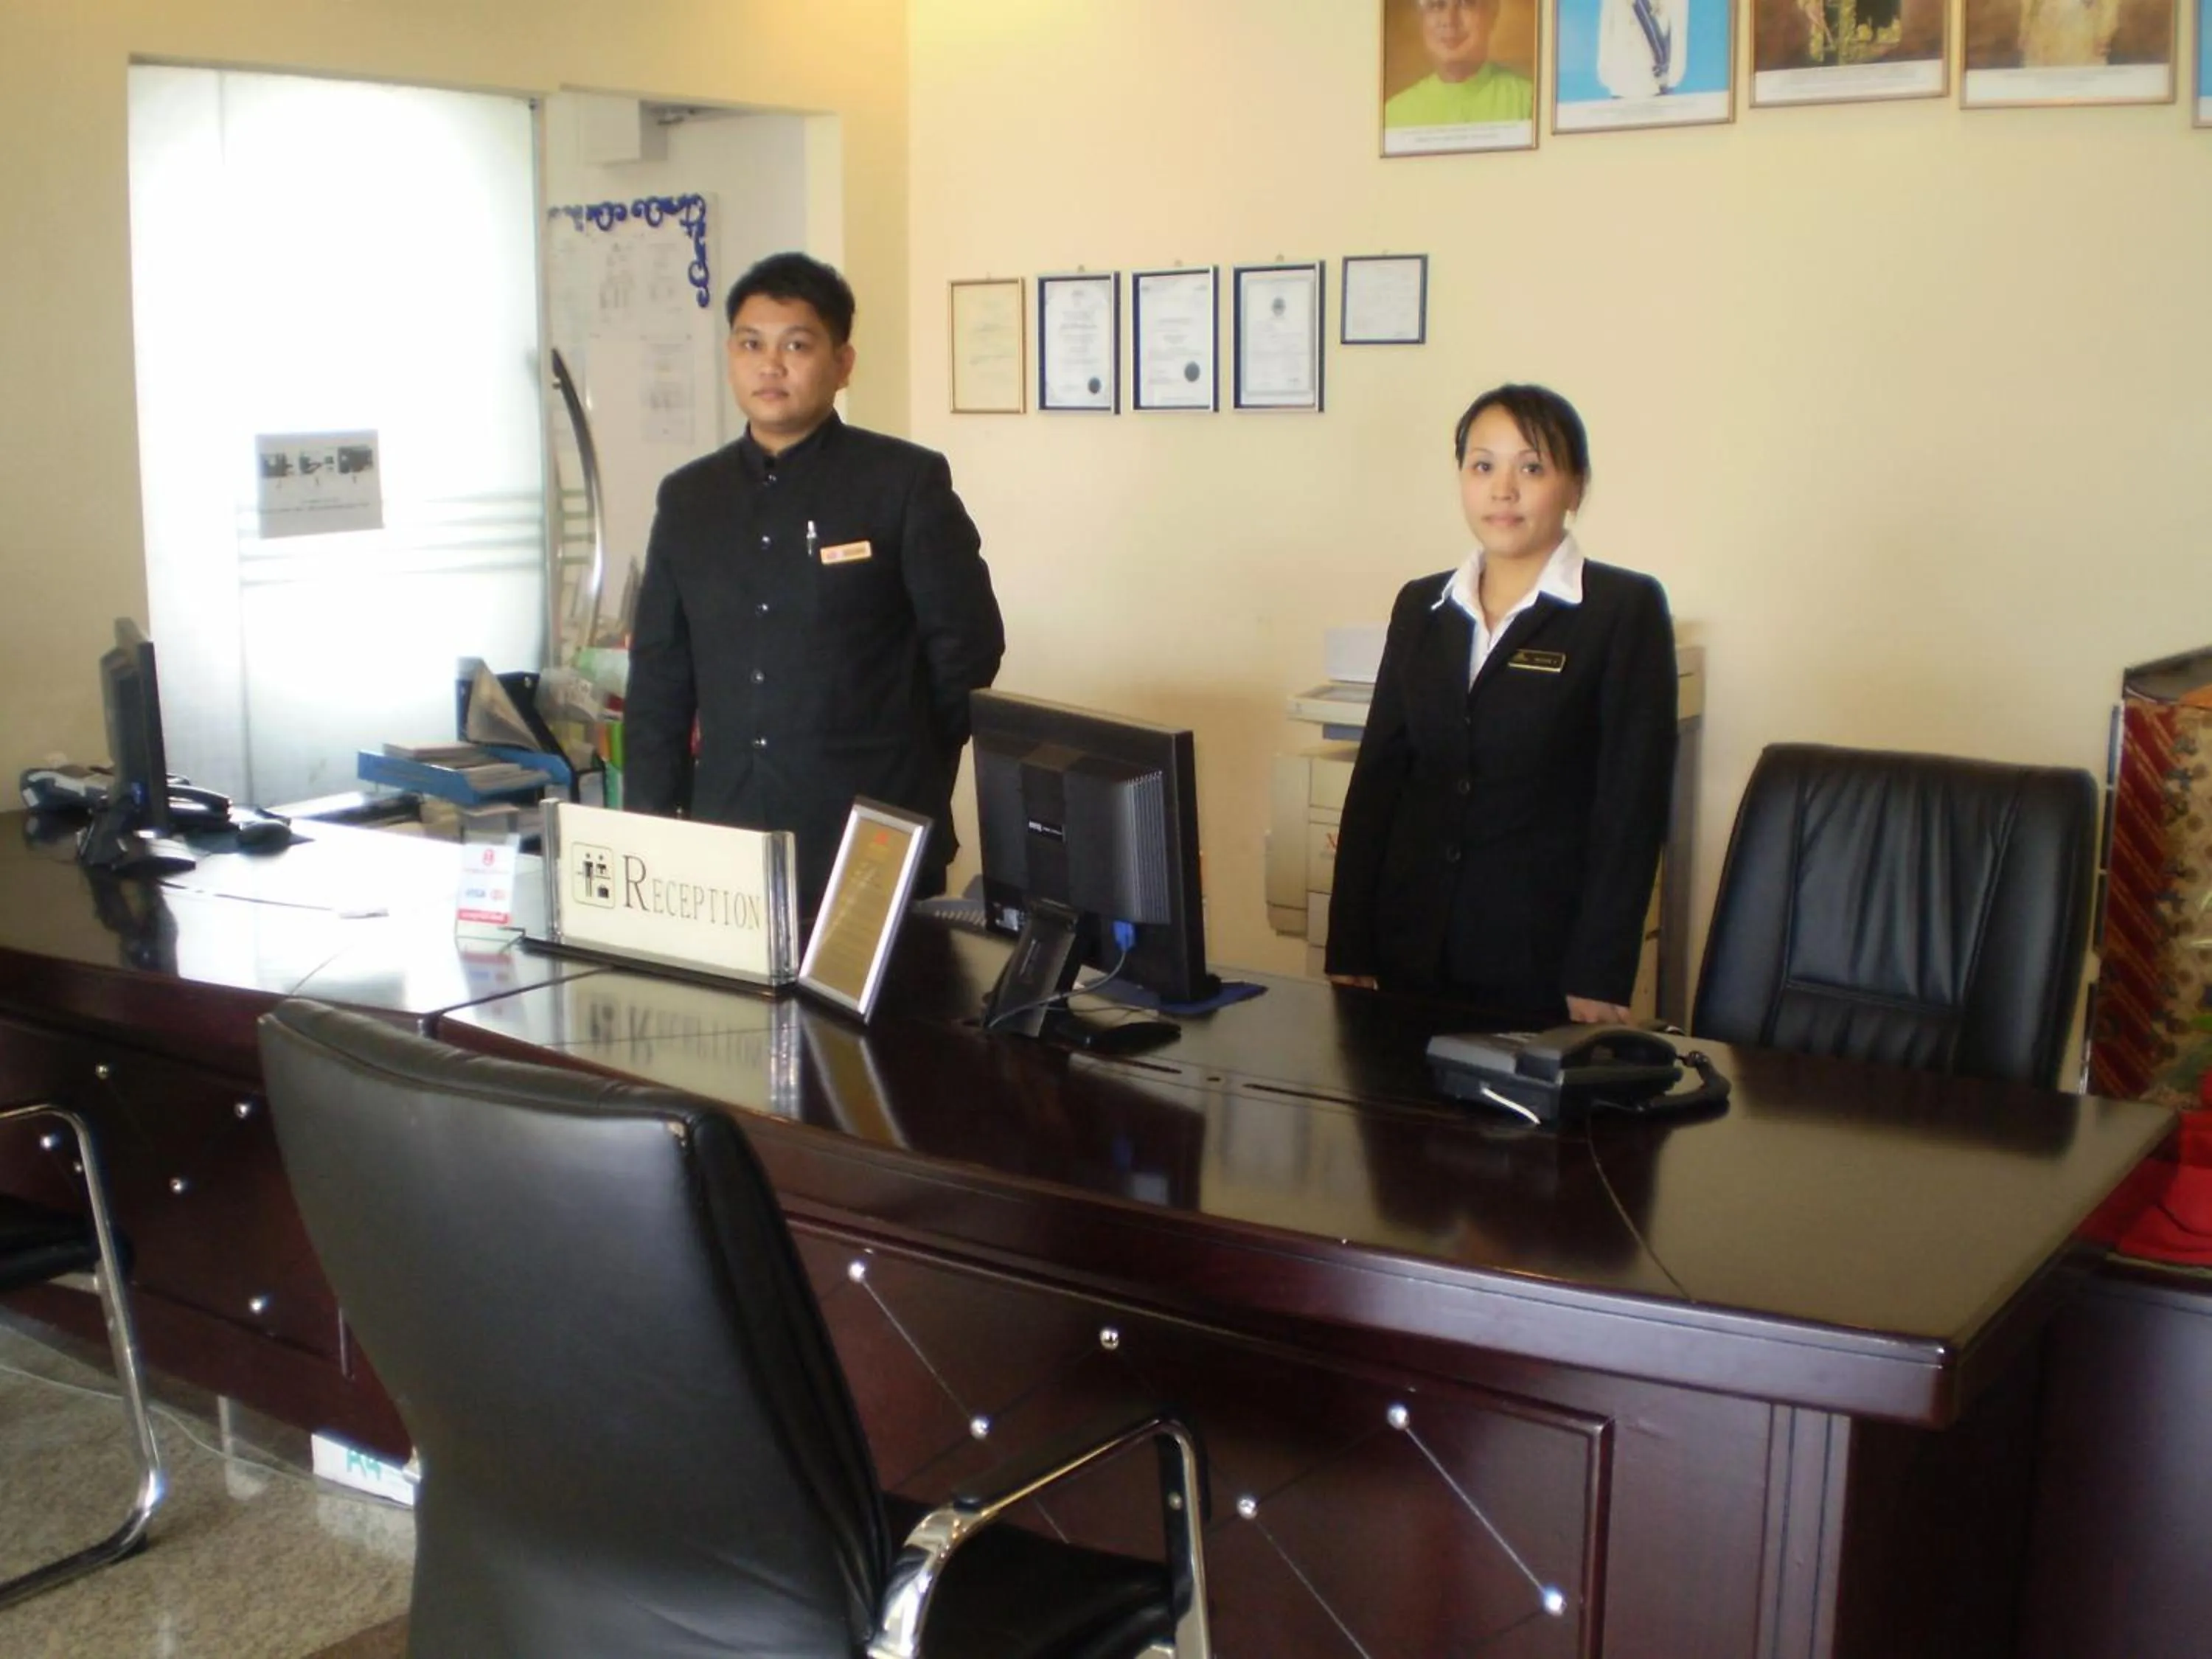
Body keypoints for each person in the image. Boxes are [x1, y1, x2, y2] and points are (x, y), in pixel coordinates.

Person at [625, 252, 1005, 917]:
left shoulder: (902, 483)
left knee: (888, 990)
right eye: (751, 344)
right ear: (731, 356)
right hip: (727, 836)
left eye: (796, 345)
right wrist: (650, 830)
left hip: (871, 830)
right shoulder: (689, 498)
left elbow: (968, 651)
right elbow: (660, 677)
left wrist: (910, 758)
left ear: (842, 363)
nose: (770, 365)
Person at [1324, 384, 1677, 1024]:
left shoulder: (1622, 610)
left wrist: (1601, 971)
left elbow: (1632, 806)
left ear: (1576, 486)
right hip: (1409, 949)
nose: (1503, 490)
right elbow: (1379, 780)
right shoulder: (1422, 606)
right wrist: (1349, 941)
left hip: (1541, 962)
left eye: (1532, 468)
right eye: (1483, 466)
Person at [1383, 0, 1536, 128]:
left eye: (1465, 4)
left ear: (1492, 15)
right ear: (1421, 18)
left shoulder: (1529, 102)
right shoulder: (1394, 114)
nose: (1449, 21)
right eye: (1437, 6)